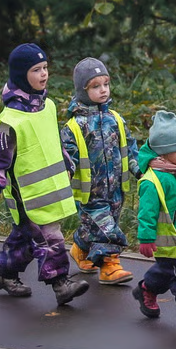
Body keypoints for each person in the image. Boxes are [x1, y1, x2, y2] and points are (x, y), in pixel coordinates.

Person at [0, 43, 89, 306]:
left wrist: (66, 162)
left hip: (48, 190)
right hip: (26, 194)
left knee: (25, 238)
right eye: (36, 70)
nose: (44, 74)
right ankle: (61, 283)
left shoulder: (48, 106)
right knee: (49, 236)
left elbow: (52, 140)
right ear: (21, 75)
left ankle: (4, 273)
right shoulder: (10, 119)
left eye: (45, 68)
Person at [61, 57, 138, 286]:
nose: (103, 90)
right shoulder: (75, 126)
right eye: (95, 86)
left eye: (105, 84)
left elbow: (129, 147)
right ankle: (109, 265)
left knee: (96, 226)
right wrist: (67, 170)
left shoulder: (116, 119)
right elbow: (68, 154)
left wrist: (137, 168)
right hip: (91, 191)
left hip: (115, 188)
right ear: (82, 91)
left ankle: (80, 247)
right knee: (106, 229)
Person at [132, 111, 176, 327]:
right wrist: (146, 238)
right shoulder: (153, 180)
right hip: (167, 238)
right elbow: (147, 212)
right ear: (164, 152)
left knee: (166, 272)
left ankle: (147, 288)